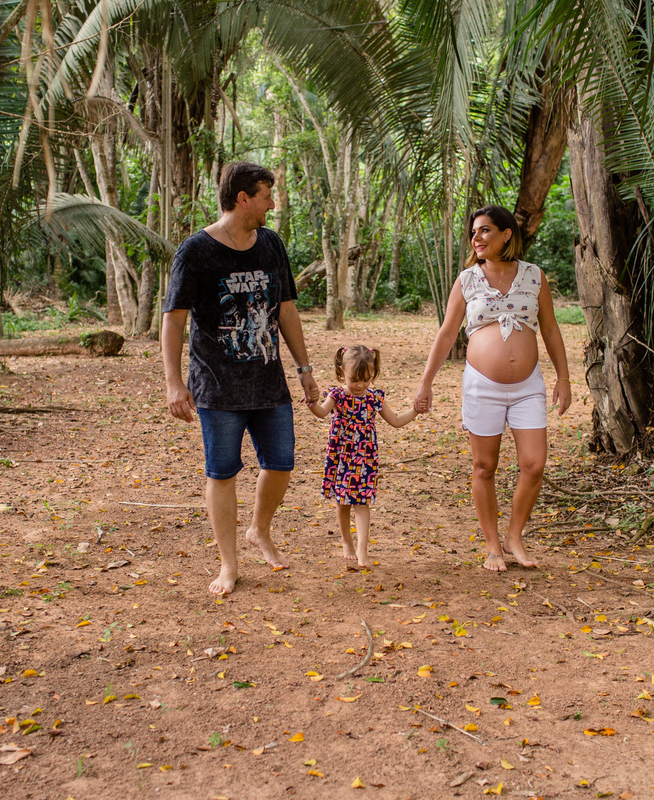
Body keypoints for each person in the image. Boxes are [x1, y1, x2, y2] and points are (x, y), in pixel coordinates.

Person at [162, 162, 320, 595]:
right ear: (243, 198)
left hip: (269, 382)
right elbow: (173, 321)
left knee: (281, 463)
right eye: (267, 195)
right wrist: (175, 383)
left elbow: (286, 310)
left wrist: (305, 372)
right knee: (223, 473)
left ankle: (259, 529)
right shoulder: (195, 251)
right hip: (217, 384)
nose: (273, 203)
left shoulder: (271, 244)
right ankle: (228, 564)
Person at [414, 205, 572, 572]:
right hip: (481, 385)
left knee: (534, 464)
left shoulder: (534, 276)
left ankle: (514, 536)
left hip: (528, 386)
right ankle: (492, 546)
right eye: (474, 232)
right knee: (484, 466)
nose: (477, 238)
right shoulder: (468, 279)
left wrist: (563, 377)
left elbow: (549, 329)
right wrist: (426, 383)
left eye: (485, 230)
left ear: (506, 234)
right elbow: (447, 332)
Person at [310, 345, 419, 569]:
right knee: (342, 502)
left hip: (365, 457)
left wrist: (416, 410)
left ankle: (362, 549)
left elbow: (396, 421)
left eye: (366, 379)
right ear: (341, 373)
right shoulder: (337, 395)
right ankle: (346, 542)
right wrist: (312, 404)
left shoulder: (374, 398)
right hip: (341, 456)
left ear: (373, 375)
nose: (360, 385)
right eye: (355, 380)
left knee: (362, 502)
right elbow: (321, 412)